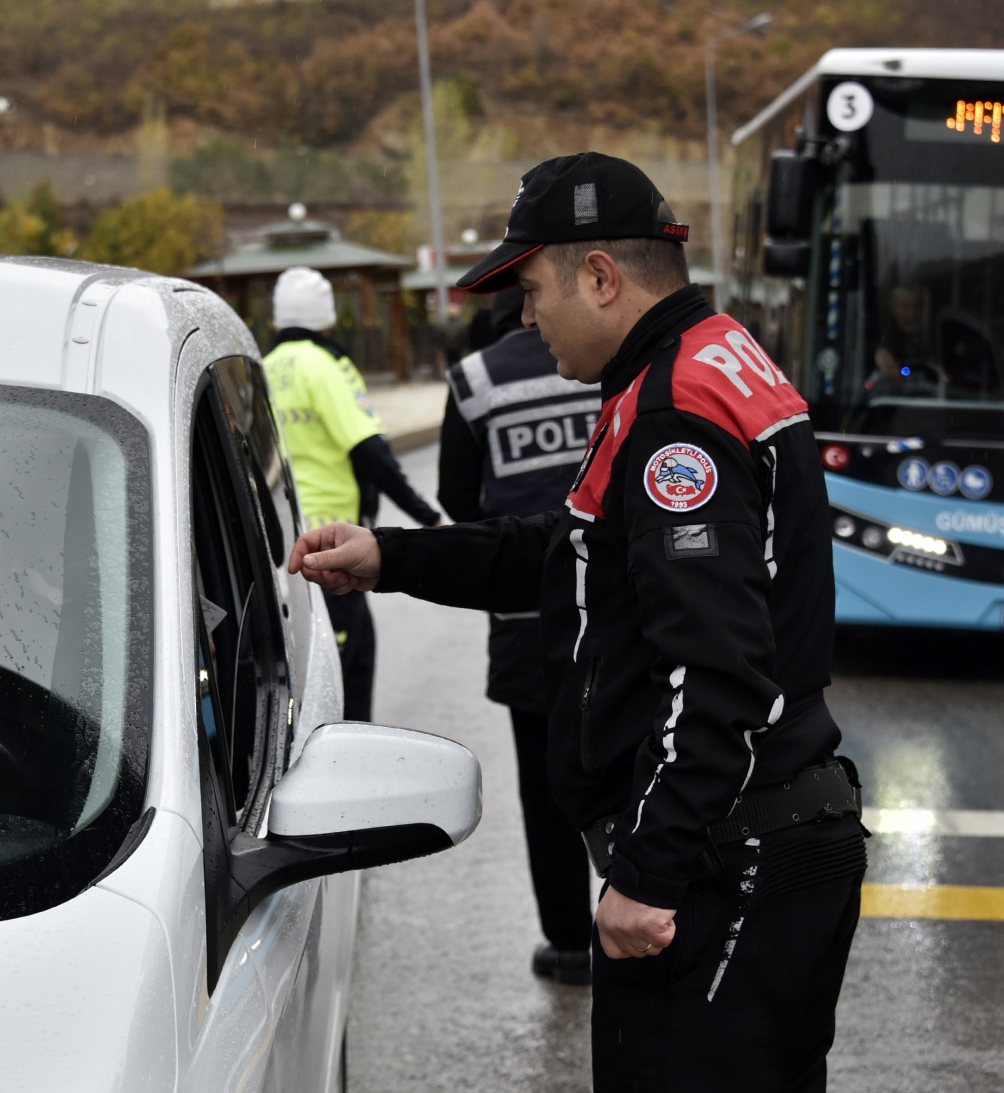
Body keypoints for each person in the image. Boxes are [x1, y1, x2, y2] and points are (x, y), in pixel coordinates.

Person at [288, 153, 866, 1091]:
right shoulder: (707, 362)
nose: (524, 316)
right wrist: (391, 556)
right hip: (770, 846)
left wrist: (649, 870)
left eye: (531, 288)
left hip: (728, 865)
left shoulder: (675, 413)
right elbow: (574, 554)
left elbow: (715, 672)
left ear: (600, 277)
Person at [438, 283, 601, 986]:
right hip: (616, 612)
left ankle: (569, 944)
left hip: (527, 620)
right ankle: (662, 918)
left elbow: (456, 499)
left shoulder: (473, 381)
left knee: (549, 784)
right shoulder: (604, 363)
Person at [263, 266, 440, 722]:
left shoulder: (263, 368)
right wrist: (426, 515)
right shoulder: (325, 366)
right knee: (351, 666)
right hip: (333, 542)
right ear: (325, 314)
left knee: (305, 666)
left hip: (281, 540)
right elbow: (371, 452)